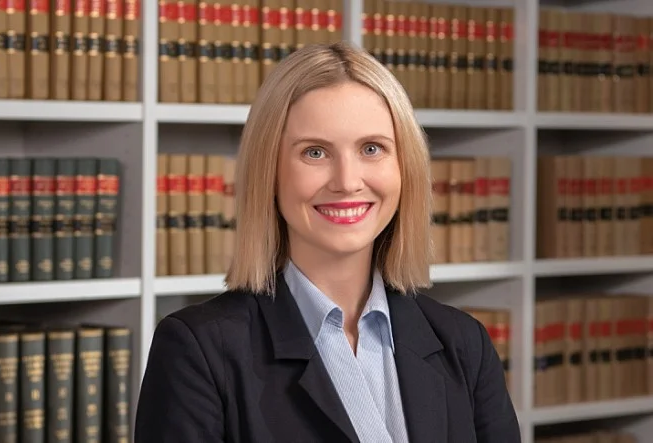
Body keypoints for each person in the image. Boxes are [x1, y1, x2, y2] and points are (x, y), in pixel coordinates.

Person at [135, 41, 521, 443]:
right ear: (269, 172)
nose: (347, 181)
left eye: (372, 149)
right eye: (315, 152)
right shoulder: (198, 351)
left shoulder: (464, 344)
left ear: (404, 167)